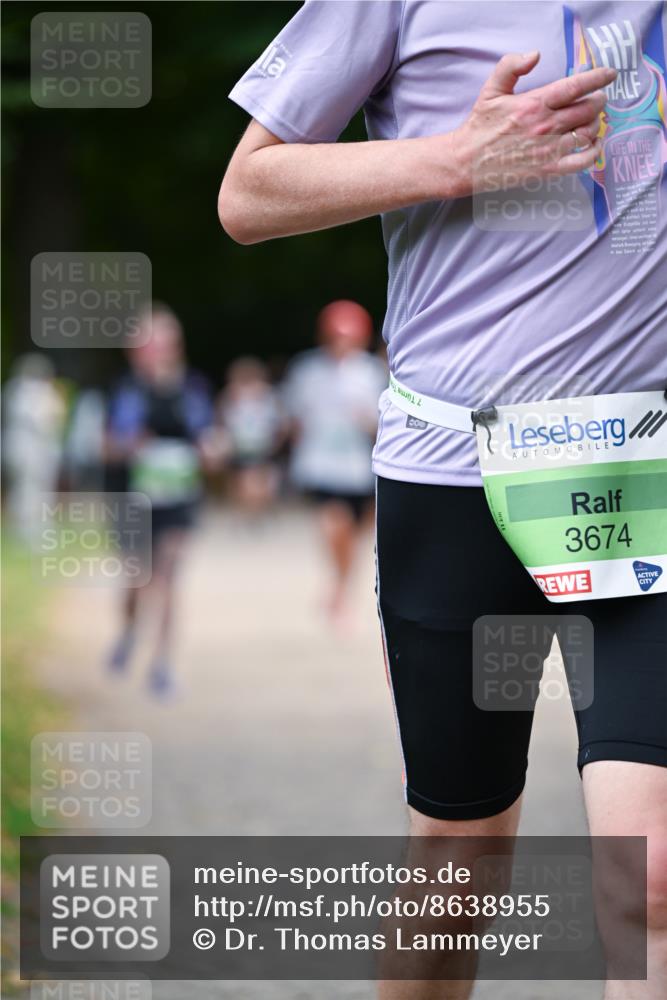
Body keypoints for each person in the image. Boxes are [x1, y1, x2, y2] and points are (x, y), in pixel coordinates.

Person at [220, 3, 667, 998]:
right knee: (457, 867)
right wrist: (458, 156)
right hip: (457, 472)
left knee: (653, 873)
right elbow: (247, 194)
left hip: (645, 483)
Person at [105, 303, 214, 698]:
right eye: (146, 343)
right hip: (132, 499)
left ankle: (163, 665)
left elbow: (208, 437)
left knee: (168, 578)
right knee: (138, 580)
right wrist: (128, 446)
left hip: (178, 498)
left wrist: (212, 450)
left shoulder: (191, 388)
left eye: (161, 342)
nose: (154, 350)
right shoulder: (124, 389)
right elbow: (106, 446)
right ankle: (130, 630)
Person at [283, 300, 387, 623]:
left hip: (358, 466)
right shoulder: (307, 370)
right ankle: (339, 591)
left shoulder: (371, 372)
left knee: (352, 536)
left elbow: (382, 422)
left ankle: (340, 588)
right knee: (333, 524)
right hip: (320, 464)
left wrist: (367, 422)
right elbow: (292, 417)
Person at [2, 353, 66, 544]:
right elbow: (44, 422)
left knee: (32, 489)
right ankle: (28, 528)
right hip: (29, 450)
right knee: (28, 490)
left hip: (32, 450)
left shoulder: (15, 390)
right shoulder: (27, 392)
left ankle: (32, 526)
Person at [217, 356, 285, 521]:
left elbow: (281, 423)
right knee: (244, 483)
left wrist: (276, 443)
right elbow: (221, 421)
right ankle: (247, 513)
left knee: (261, 483)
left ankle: (259, 511)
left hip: (263, 448)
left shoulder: (269, 397)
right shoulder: (229, 397)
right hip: (240, 448)